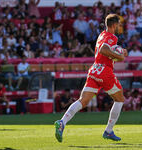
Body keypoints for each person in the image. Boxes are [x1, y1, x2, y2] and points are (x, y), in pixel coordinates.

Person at [54, 14, 128, 142]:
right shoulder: (112, 37)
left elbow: (105, 49)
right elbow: (104, 50)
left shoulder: (101, 35)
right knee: (120, 99)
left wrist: (118, 52)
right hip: (104, 70)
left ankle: (62, 122)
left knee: (83, 101)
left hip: (94, 70)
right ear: (114, 25)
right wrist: (120, 56)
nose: (119, 27)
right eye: (119, 24)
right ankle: (109, 131)